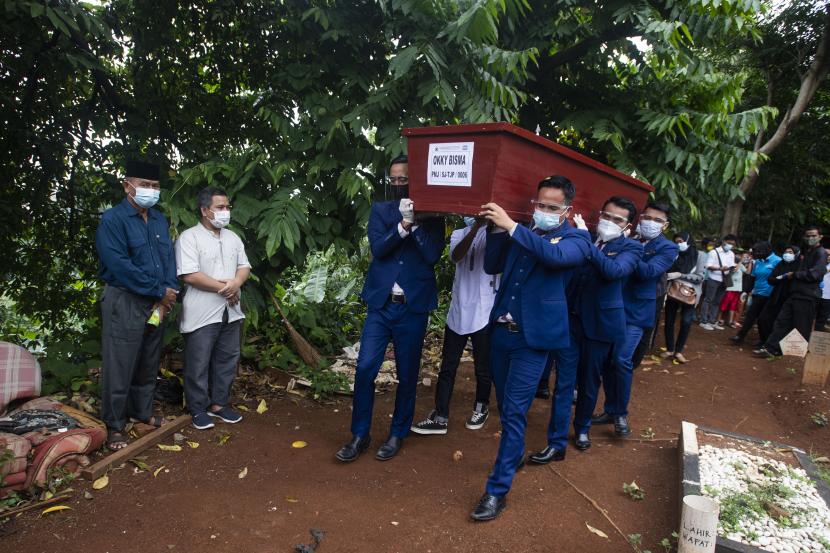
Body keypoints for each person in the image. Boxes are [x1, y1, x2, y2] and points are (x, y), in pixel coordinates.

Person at [470, 175, 591, 521]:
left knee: (514, 412)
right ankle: (516, 450)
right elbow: (493, 265)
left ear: (567, 210)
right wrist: (495, 228)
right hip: (501, 332)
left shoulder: (576, 239)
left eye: (552, 207)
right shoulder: (521, 229)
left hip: (533, 340)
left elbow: (553, 258)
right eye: (540, 205)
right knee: (505, 404)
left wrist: (511, 227)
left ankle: (497, 490)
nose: (544, 211)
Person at [335, 156, 445, 463]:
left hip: (412, 308)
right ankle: (360, 435)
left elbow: (432, 255)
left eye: (403, 179)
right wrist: (403, 225)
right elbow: (380, 248)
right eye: (394, 180)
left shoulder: (434, 216)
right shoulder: (380, 211)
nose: (398, 184)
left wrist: (418, 223)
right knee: (366, 368)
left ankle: (398, 432)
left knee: (408, 375)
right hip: (381, 306)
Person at [95, 160, 178, 450]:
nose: (150, 191)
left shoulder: (157, 219)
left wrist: (169, 292)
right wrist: (158, 290)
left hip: (156, 302)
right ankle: (114, 425)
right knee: (120, 362)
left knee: (148, 360)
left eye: (155, 187)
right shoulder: (113, 220)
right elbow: (119, 265)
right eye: (145, 185)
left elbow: (168, 258)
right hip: (125, 299)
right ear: (127, 185)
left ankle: (141, 411)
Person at [564, 197, 643, 453]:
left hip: (601, 326)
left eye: (617, 219)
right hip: (571, 318)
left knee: (588, 381)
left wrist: (587, 243)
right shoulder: (583, 238)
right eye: (606, 215)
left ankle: (583, 428)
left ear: (627, 226)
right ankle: (557, 429)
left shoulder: (631, 248)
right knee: (565, 378)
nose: (609, 222)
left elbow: (613, 271)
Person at [592, 202, 677, 436]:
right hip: (611, 307)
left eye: (658, 220)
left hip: (635, 313)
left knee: (621, 359)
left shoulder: (667, 248)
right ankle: (611, 409)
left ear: (666, 225)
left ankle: (620, 414)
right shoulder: (625, 239)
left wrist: (627, 251)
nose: (651, 222)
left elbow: (649, 272)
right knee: (609, 360)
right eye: (647, 217)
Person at [410, 216, 496, 435]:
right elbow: (457, 256)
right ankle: (440, 415)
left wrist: (487, 226)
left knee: (483, 367)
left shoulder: (496, 234)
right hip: (459, 310)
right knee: (447, 366)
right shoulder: (459, 233)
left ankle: (481, 407)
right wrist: (475, 227)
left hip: (484, 311)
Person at [176, 187, 251, 430]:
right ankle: (198, 408)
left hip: (232, 310)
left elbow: (244, 266)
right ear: (205, 210)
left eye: (227, 207)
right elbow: (190, 275)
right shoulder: (189, 237)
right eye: (220, 207)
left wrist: (237, 283)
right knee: (198, 361)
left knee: (227, 359)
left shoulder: (233, 237)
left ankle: (219, 405)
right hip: (202, 311)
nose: (225, 212)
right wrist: (226, 288)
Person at [755, 227, 828, 357]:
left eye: (813, 235)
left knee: (801, 325)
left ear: (820, 236)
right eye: (808, 236)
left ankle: (795, 355)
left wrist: (795, 274)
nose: (810, 238)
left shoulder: (821, 253)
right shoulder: (807, 252)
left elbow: (816, 274)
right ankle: (772, 349)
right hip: (796, 293)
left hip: (808, 295)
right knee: (782, 321)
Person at [663, 233, 707, 364]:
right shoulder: (675, 254)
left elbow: (700, 277)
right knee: (669, 320)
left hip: (691, 293)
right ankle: (670, 349)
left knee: (686, 322)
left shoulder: (700, 255)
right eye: (676, 241)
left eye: (681, 241)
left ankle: (679, 351)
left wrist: (680, 275)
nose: (679, 244)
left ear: (688, 241)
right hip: (673, 291)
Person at [730, 242, 780, 346]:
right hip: (757, 293)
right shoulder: (757, 262)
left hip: (770, 295)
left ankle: (765, 340)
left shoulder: (777, 261)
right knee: (750, 316)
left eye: (758, 251)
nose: (757, 254)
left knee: (764, 319)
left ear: (766, 250)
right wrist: (746, 291)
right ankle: (740, 336)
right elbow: (752, 277)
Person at [699, 234, 737, 330]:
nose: (730, 245)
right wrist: (720, 268)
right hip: (713, 278)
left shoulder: (731, 254)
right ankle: (703, 321)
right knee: (708, 299)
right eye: (729, 243)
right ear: (724, 241)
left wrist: (733, 268)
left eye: (732, 244)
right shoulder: (714, 252)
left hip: (724, 280)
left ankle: (712, 321)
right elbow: (708, 266)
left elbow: (731, 266)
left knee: (717, 301)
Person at [715, 252, 746, 329]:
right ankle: (718, 319)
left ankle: (730, 321)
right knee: (724, 303)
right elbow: (734, 270)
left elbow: (747, 272)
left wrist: (751, 263)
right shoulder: (731, 265)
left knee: (733, 305)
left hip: (738, 289)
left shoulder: (741, 265)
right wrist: (741, 261)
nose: (739, 257)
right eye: (737, 256)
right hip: (730, 288)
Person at [816, 252, 830, 331]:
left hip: (828, 297)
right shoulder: (822, 264)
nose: (828, 257)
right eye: (828, 256)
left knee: (822, 318)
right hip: (817, 294)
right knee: (812, 316)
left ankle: (816, 336)